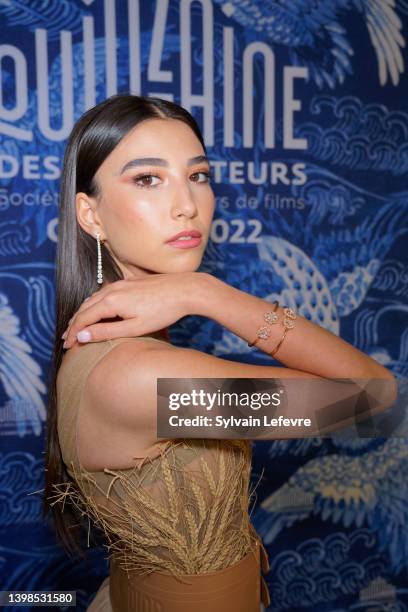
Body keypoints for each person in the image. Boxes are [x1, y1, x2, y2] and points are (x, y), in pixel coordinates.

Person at [43, 94, 397, 612]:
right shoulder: (142, 376)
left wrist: (199, 293)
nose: (187, 204)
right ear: (89, 215)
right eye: (148, 179)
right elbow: (372, 396)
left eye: (199, 176)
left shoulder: (123, 350)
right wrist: (209, 293)